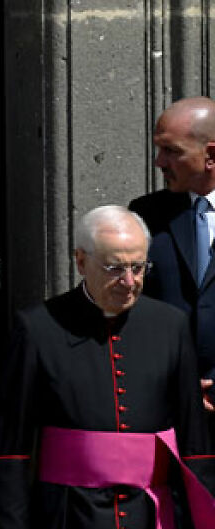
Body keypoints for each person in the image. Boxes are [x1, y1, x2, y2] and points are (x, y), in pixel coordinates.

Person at [0, 205, 215, 529]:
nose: (129, 281)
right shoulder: (38, 327)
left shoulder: (170, 326)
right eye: (114, 268)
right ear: (80, 261)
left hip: (150, 521)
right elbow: (10, 438)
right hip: (67, 521)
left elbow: (193, 436)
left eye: (138, 267)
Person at [130, 97, 215, 428]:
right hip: (165, 409)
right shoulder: (146, 215)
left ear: (211, 155)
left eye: (171, 151)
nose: (158, 162)